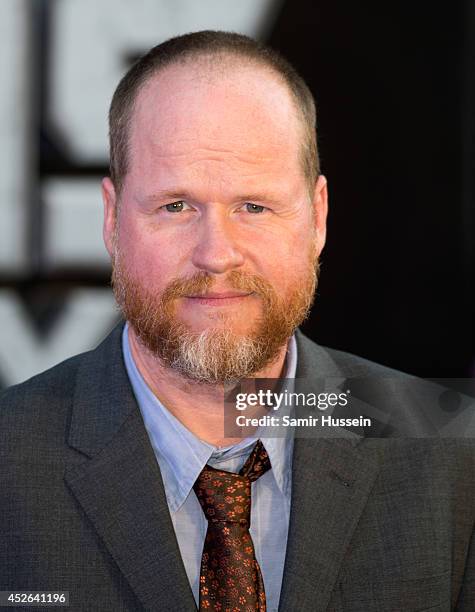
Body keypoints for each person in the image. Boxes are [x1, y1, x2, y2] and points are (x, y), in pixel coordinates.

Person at [0, 31, 473, 612]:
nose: (217, 253)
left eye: (254, 206)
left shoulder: (454, 457)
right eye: (176, 206)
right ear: (112, 218)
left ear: (318, 217)